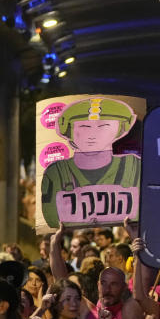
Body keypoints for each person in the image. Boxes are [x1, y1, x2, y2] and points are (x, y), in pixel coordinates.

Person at [41, 97, 142, 227]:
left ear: (119, 129)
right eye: (84, 126)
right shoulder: (56, 173)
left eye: (104, 126)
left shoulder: (133, 167)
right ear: (68, 130)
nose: (92, 135)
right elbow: (52, 220)